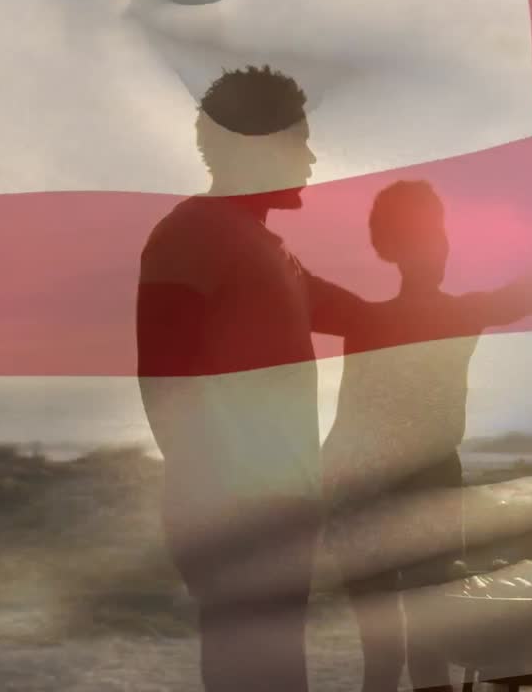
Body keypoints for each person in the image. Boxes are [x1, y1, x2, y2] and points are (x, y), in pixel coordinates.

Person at [136, 65, 367, 692]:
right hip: (236, 512)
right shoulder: (192, 235)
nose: (313, 158)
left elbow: (365, 318)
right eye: (299, 141)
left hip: (280, 505)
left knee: (277, 672)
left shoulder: (269, 251)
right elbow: (162, 375)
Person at [322, 180, 532, 692]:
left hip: (377, 486)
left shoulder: (371, 320)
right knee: (404, 648)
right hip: (381, 488)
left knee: (399, 650)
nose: (438, 248)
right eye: (426, 236)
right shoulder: (437, 315)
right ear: (393, 248)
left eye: (439, 235)